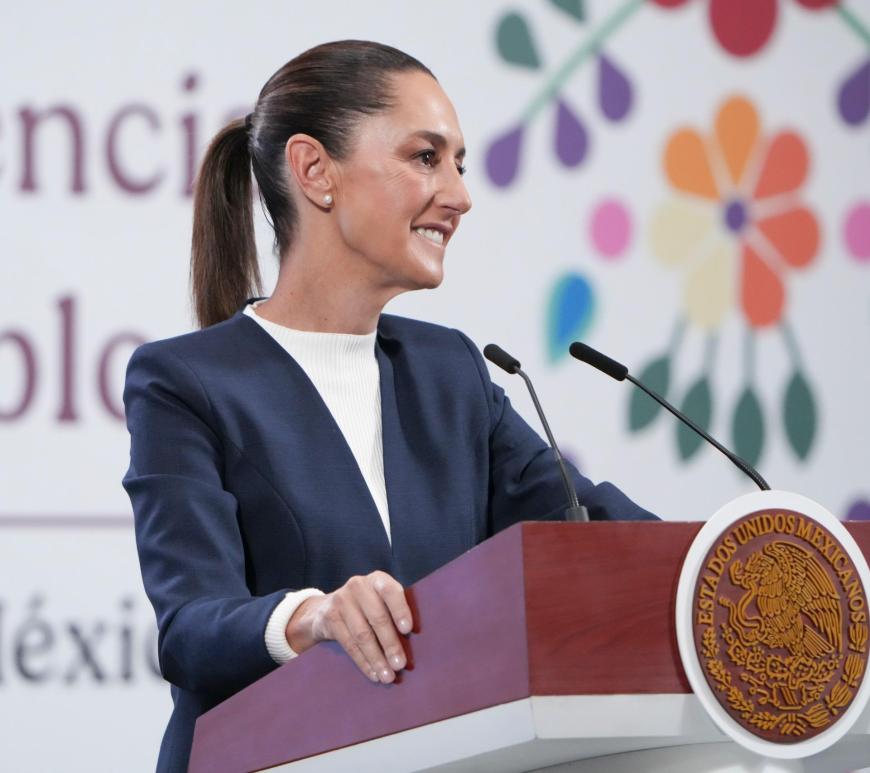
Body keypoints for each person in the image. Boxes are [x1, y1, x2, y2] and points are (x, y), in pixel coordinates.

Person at [122, 40, 657, 773]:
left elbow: (585, 527)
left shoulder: (451, 371)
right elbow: (190, 627)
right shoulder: (184, 381)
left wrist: (736, 557)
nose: (460, 195)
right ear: (315, 171)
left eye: (460, 164)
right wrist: (313, 615)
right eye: (426, 157)